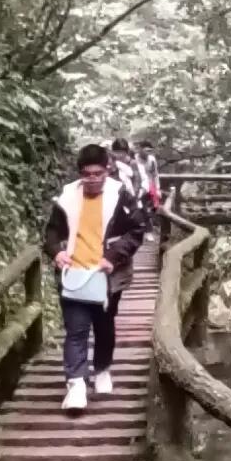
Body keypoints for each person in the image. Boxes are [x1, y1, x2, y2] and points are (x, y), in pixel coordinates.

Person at [44, 142, 144, 411]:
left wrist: (112, 257)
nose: (92, 180)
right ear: (79, 173)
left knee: (104, 325)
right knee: (76, 330)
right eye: (87, 174)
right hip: (74, 273)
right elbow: (51, 232)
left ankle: (101, 369)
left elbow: (137, 230)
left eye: (97, 174)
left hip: (108, 275)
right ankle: (76, 384)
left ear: (107, 171)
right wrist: (55, 252)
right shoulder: (67, 197)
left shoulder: (120, 195)